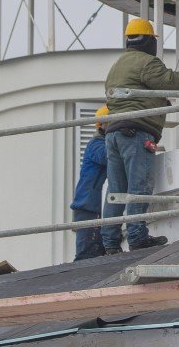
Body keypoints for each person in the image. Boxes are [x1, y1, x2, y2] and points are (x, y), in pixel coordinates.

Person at [100, 17, 179, 253]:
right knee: (138, 186)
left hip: (114, 133)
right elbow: (172, 82)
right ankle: (137, 237)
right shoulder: (147, 63)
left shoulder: (117, 65)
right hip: (136, 133)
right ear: (149, 40)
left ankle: (109, 242)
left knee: (116, 191)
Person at [69, 106, 109, 261]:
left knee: (98, 255)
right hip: (88, 207)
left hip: (93, 206)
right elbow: (108, 157)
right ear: (103, 125)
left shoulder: (101, 143)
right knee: (87, 256)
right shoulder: (96, 144)